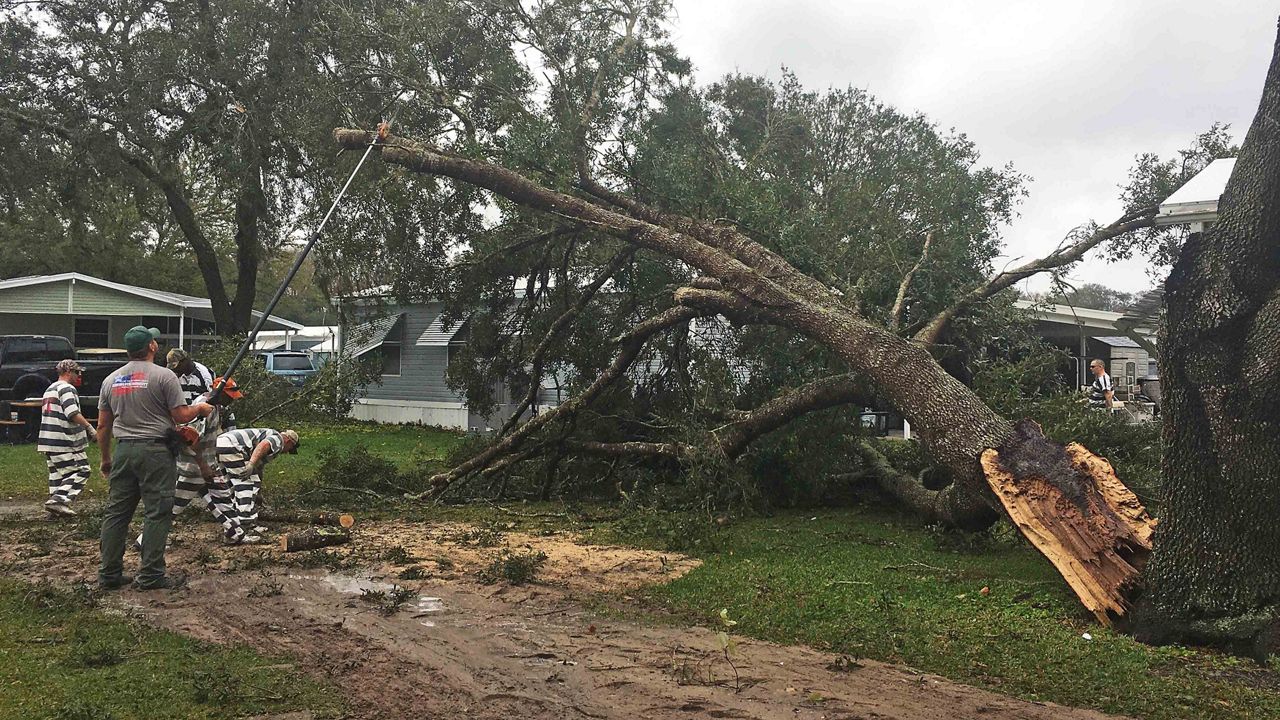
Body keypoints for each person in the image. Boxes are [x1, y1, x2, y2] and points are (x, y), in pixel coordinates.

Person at [97, 326, 214, 591]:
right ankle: (150, 575)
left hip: (124, 450)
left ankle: (109, 574)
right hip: (155, 452)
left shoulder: (111, 380)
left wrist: (106, 459)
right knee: (157, 513)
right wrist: (201, 407)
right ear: (151, 347)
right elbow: (181, 416)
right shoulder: (164, 376)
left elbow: (103, 426)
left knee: (116, 514)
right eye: (154, 340)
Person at [135, 378, 258, 548]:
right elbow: (191, 438)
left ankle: (235, 533)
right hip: (194, 468)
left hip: (208, 465)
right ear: (219, 393)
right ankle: (146, 539)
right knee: (174, 506)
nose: (232, 399)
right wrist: (203, 466)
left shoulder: (215, 407)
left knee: (224, 498)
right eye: (229, 396)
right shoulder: (203, 406)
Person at [38, 359, 97, 516]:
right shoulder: (67, 388)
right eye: (77, 372)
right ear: (68, 372)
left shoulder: (50, 388)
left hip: (48, 439)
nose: (79, 376)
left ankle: (55, 513)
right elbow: (72, 413)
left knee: (57, 475)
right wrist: (90, 428)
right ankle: (59, 501)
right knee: (82, 470)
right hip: (65, 440)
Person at [216, 427, 299, 531]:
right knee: (247, 484)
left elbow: (258, 468)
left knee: (232, 486)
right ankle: (246, 524)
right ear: (289, 441)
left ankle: (233, 521)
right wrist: (250, 464)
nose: (287, 452)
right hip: (233, 446)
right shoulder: (279, 439)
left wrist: (258, 492)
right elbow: (264, 445)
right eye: (290, 448)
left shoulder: (268, 434)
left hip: (220, 443)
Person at [168, 348, 236, 431]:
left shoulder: (204, 373)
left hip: (201, 418)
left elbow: (212, 396)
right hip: (184, 416)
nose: (175, 369)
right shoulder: (175, 375)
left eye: (177, 366)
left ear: (185, 361)